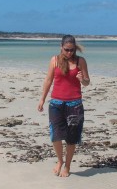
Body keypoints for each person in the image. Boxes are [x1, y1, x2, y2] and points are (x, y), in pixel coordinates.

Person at [37, 35, 90, 177]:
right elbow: (48, 80)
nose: (69, 53)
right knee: (55, 135)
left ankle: (67, 166)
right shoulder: (54, 60)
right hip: (56, 103)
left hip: (75, 104)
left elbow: (87, 82)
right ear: (61, 47)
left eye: (72, 50)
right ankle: (60, 161)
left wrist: (82, 79)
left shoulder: (80, 61)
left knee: (72, 138)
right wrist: (42, 99)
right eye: (66, 50)